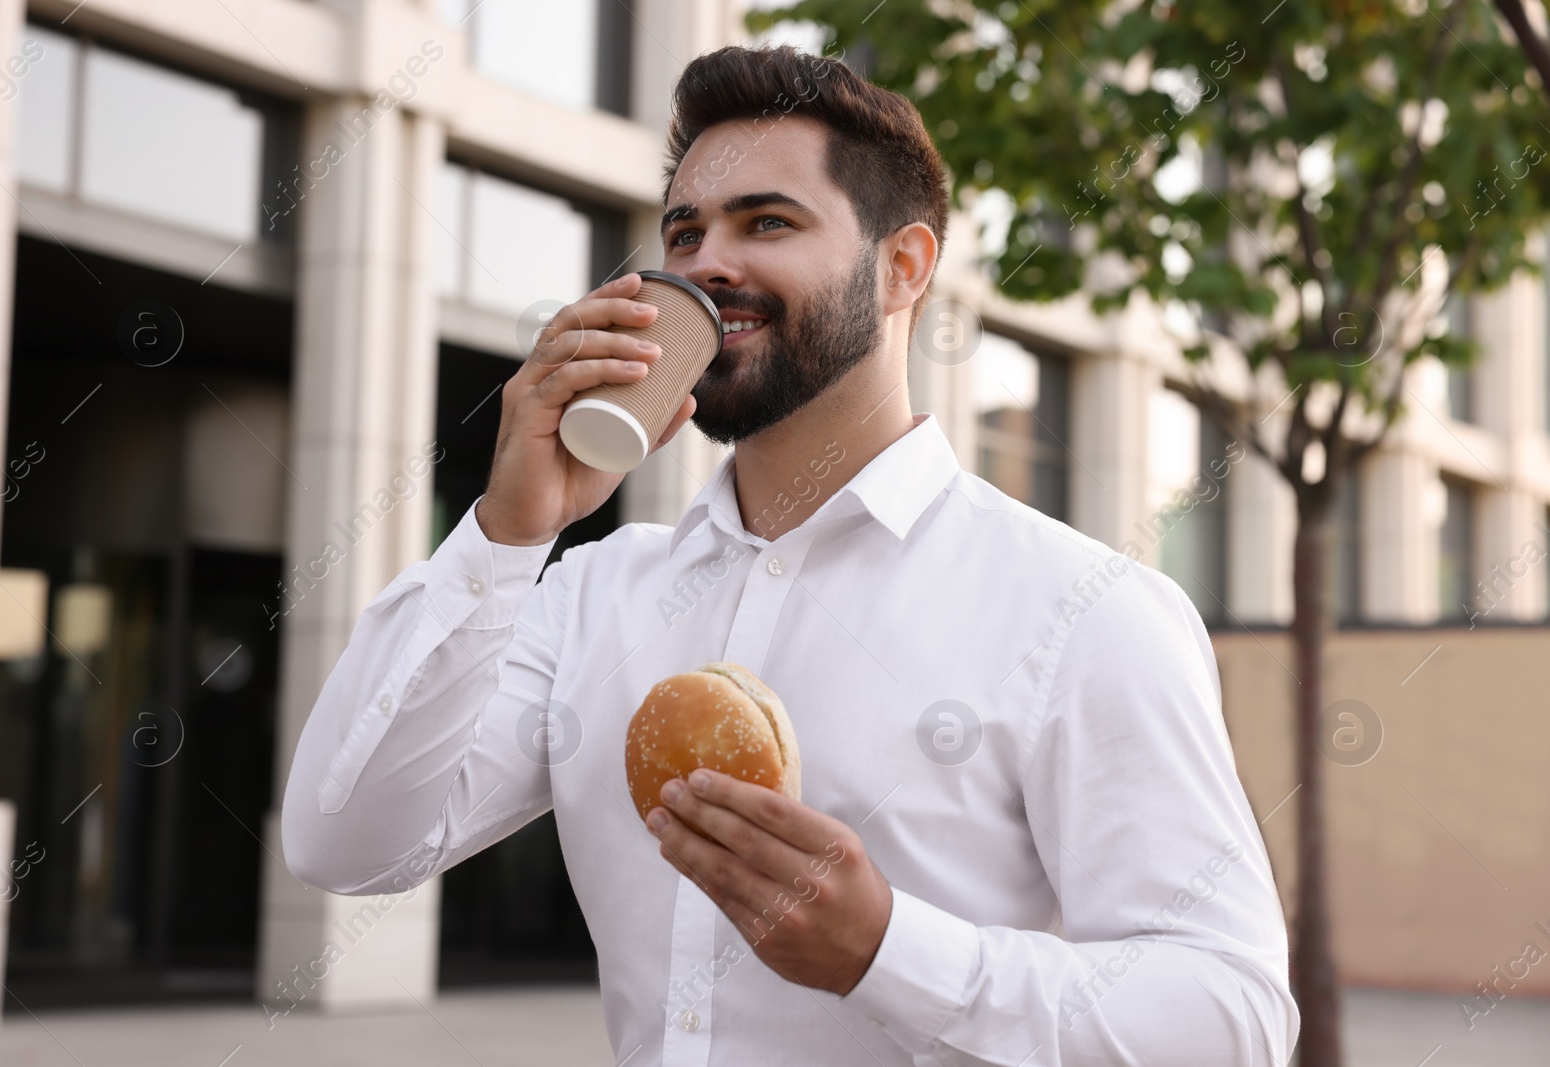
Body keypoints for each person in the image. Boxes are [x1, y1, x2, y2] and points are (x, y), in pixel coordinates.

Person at [282, 44, 1299, 1066]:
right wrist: (506, 534)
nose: (708, 262)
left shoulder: (1087, 607)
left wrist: (887, 948)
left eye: (766, 221)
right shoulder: (594, 590)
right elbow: (344, 842)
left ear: (902, 266)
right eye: (686, 230)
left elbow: (1234, 1015)